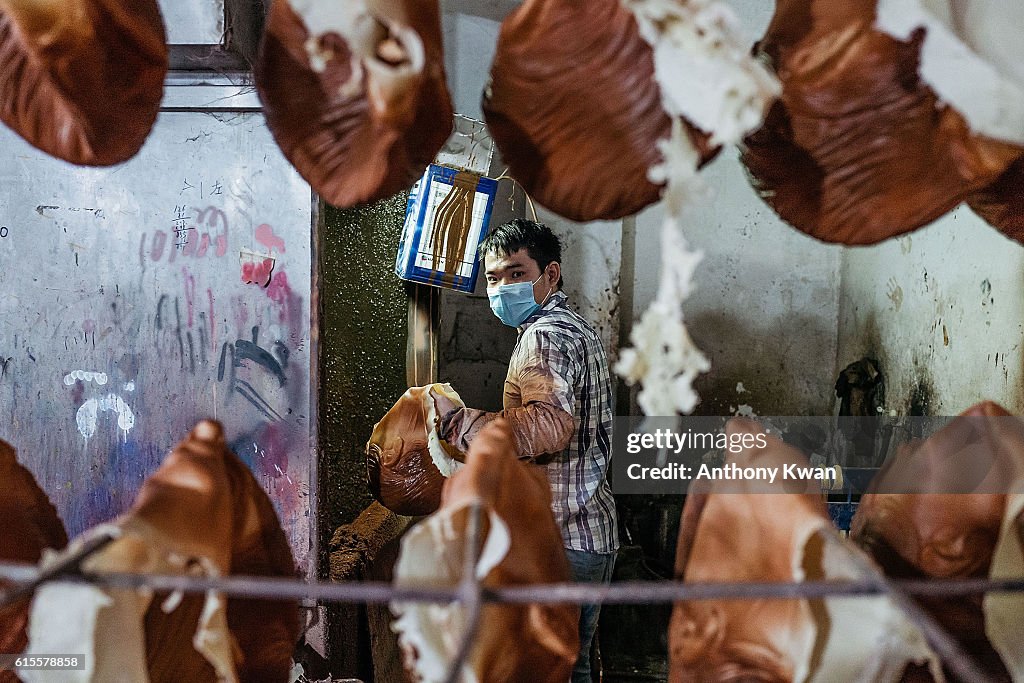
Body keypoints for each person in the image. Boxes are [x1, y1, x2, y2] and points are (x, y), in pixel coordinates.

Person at [433, 218, 619, 683]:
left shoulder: (546, 336)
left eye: (516, 274)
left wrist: (460, 424)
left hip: (564, 537)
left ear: (550, 274)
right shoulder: (574, 328)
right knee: (569, 664)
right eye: (493, 278)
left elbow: (548, 424)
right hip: (586, 531)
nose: (502, 288)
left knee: (548, 669)